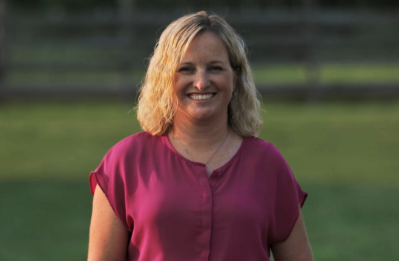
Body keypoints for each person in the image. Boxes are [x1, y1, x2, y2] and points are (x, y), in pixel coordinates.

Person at [88, 11, 313, 261]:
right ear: (164, 78)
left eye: (215, 68)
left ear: (235, 76)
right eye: (186, 69)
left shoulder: (268, 164)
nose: (201, 82)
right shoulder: (124, 162)